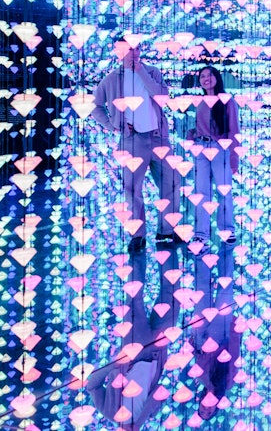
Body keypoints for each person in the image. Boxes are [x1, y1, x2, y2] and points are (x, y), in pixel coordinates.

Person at [93, 37, 180, 252]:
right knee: (132, 189)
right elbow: (95, 106)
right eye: (128, 49)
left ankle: (166, 231)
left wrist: (140, 70)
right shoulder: (111, 79)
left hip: (159, 137)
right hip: (132, 141)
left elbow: (162, 97)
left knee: (171, 183)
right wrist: (113, 125)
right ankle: (138, 234)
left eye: (136, 48)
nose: (133, 52)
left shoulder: (152, 71)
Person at [85, 244, 181, 429]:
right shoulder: (150, 415)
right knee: (171, 299)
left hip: (133, 352)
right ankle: (167, 246)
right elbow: (161, 392)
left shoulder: (110, 413)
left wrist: (116, 365)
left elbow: (92, 385)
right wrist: (139, 423)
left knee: (134, 299)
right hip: (157, 355)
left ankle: (137, 251)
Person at [187, 66, 240, 247]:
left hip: (220, 149)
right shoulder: (199, 101)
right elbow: (199, 126)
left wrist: (234, 158)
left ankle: (228, 230)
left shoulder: (227, 101)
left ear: (217, 78)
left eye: (210, 75)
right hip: (201, 149)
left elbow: (234, 131)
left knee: (223, 191)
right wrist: (191, 134)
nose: (206, 79)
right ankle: (201, 234)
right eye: (202, 76)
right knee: (202, 193)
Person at [189, 244, 242, 420]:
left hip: (200, 336)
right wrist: (235, 330)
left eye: (201, 410)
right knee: (225, 290)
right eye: (208, 412)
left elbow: (199, 357)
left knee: (201, 290)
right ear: (216, 408)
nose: (205, 408)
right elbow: (233, 356)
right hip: (219, 335)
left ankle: (200, 251)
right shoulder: (227, 383)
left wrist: (192, 346)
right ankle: (226, 248)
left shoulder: (201, 380)